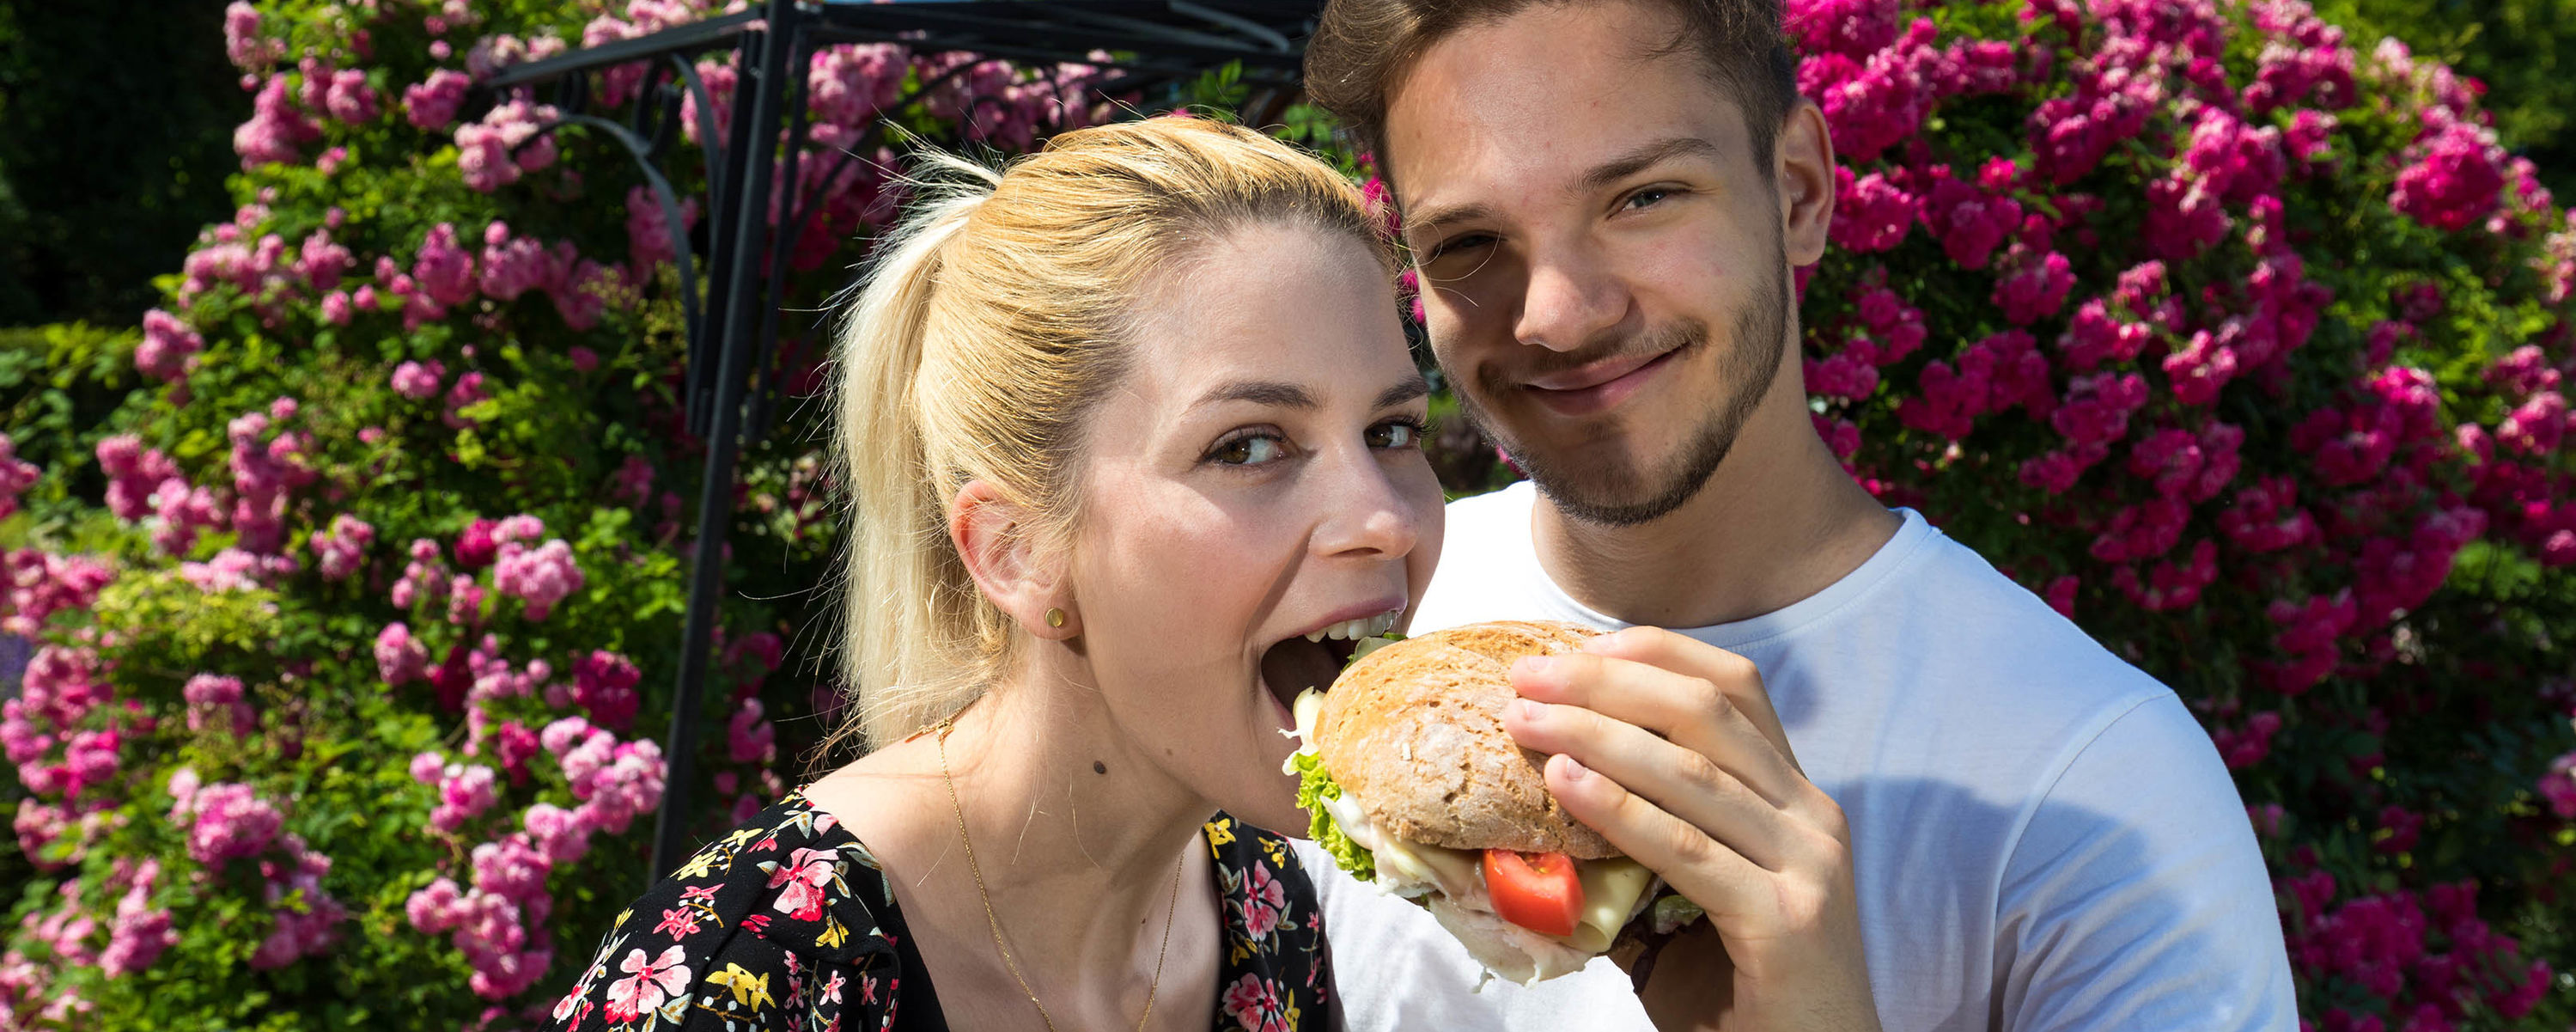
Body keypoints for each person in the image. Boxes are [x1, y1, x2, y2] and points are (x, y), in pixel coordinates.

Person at [1296, 1, 2298, 1029]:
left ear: (1798, 192)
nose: (1556, 312)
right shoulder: (1358, 628)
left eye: (1641, 196)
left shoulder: (2095, 783)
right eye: (1467, 239)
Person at [547, 116, 1448, 1031]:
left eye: (1392, 431)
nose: (1384, 517)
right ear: (1017, 551)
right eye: (1248, 445)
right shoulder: (743, 978)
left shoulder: (1262, 909)